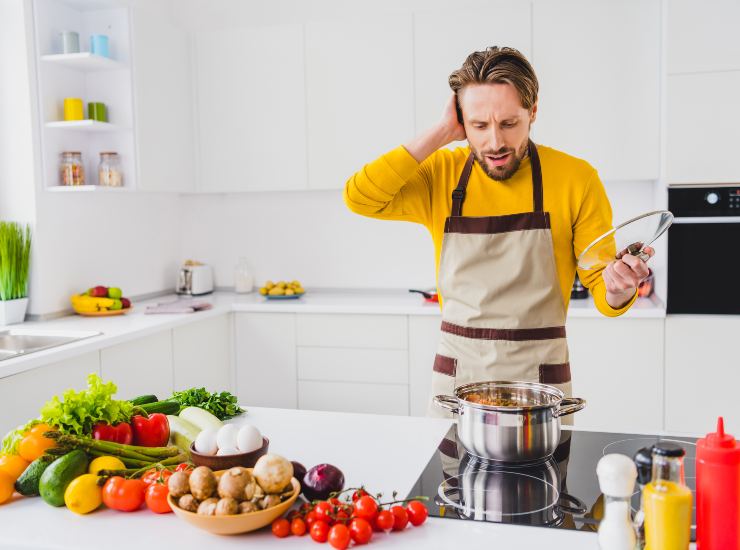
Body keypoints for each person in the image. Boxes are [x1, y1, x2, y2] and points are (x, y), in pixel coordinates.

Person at [343, 47, 652, 417]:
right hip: (457, 383)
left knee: (545, 476)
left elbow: (604, 289)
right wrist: (442, 132)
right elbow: (360, 198)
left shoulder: (576, 179)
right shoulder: (440, 174)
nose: (494, 143)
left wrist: (620, 288)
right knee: (451, 475)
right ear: (461, 121)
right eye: (478, 125)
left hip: (541, 384)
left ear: (532, 112)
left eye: (508, 123)